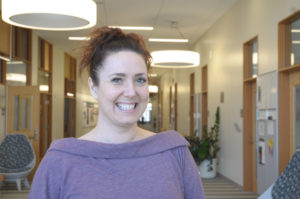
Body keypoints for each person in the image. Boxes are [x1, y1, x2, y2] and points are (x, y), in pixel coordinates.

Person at [28, 27, 205, 199]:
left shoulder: (174, 151)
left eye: (140, 80)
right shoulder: (60, 160)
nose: (130, 91)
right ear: (93, 87)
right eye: (117, 80)